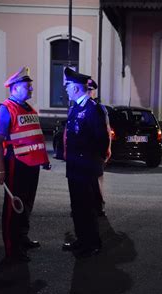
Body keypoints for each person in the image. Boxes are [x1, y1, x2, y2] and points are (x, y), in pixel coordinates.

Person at [0, 66, 51, 262]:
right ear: (15, 88)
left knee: (26, 204)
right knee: (13, 207)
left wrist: (44, 159)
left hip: (31, 165)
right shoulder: (5, 109)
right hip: (15, 164)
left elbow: (35, 136)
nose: (31, 89)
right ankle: (12, 248)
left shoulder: (29, 109)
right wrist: (0, 169)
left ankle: (22, 237)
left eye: (31, 86)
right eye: (28, 86)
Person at [62, 67, 110, 257]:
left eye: (68, 87)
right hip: (74, 167)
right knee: (77, 207)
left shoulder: (93, 109)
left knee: (88, 207)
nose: (65, 90)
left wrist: (92, 161)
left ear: (75, 88)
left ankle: (92, 243)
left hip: (86, 168)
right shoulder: (75, 107)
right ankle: (82, 240)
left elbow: (102, 139)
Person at [87, 78, 111, 217]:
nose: (89, 92)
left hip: (96, 151)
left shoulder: (100, 109)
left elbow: (107, 130)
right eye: (88, 89)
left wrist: (108, 148)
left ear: (94, 92)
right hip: (84, 151)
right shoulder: (76, 107)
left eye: (91, 90)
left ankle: (100, 205)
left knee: (98, 178)